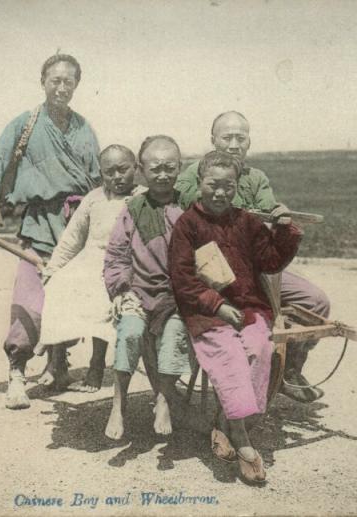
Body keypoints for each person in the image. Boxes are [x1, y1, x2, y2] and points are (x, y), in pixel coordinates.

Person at [0, 54, 100, 410]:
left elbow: (99, 182)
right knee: (31, 301)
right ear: (43, 82)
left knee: (71, 296)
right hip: (39, 225)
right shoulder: (24, 124)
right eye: (55, 80)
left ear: (77, 85)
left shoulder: (85, 129)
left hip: (76, 225)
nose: (62, 87)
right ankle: (17, 373)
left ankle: (58, 363)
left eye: (69, 81)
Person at [173, 111, 330, 403]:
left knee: (316, 301)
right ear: (212, 139)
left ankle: (288, 369)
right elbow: (191, 204)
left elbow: (267, 216)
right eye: (226, 137)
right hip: (211, 269)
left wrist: (280, 219)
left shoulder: (256, 178)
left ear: (248, 142)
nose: (233, 144)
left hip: (252, 266)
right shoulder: (193, 173)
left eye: (240, 138)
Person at [168, 150, 302, 483]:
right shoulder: (188, 225)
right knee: (228, 355)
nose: (220, 193)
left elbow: (270, 261)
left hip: (249, 308)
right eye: (213, 184)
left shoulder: (246, 221)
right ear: (200, 183)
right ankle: (242, 439)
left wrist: (284, 230)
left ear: (237, 186)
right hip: (205, 312)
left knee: (260, 349)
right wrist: (216, 304)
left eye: (228, 185)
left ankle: (226, 422)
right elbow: (183, 278)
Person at [37, 145, 145, 392]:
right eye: (109, 172)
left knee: (101, 297)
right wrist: (53, 269)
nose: (117, 177)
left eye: (123, 170)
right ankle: (55, 357)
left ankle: (96, 365)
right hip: (89, 259)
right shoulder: (95, 197)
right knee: (57, 286)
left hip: (123, 263)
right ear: (101, 174)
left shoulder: (143, 197)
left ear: (136, 168)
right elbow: (72, 238)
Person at [103, 135, 191, 439]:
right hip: (138, 293)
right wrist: (122, 289)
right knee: (129, 334)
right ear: (141, 170)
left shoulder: (189, 207)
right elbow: (116, 255)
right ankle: (118, 405)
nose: (163, 175)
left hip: (178, 296)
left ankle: (164, 398)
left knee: (173, 337)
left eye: (170, 167)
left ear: (180, 167)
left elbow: (207, 253)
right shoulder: (133, 208)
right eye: (155, 168)